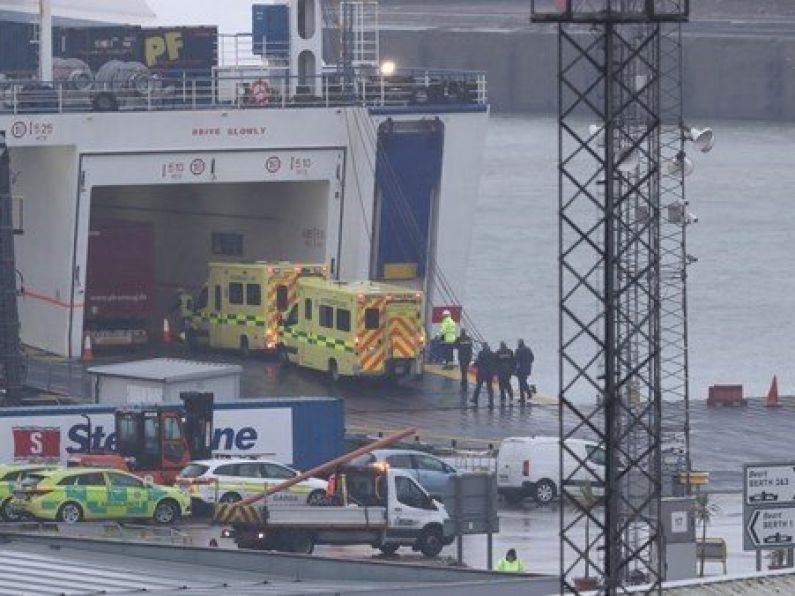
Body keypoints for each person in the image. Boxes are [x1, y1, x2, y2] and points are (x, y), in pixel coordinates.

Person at [515, 339, 535, 403]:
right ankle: (529, 393)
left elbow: (516, 360)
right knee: (524, 382)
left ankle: (523, 398)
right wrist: (528, 363)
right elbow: (532, 358)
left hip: (521, 369)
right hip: (528, 368)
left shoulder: (518, 350)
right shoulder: (528, 349)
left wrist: (514, 369)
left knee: (521, 383)